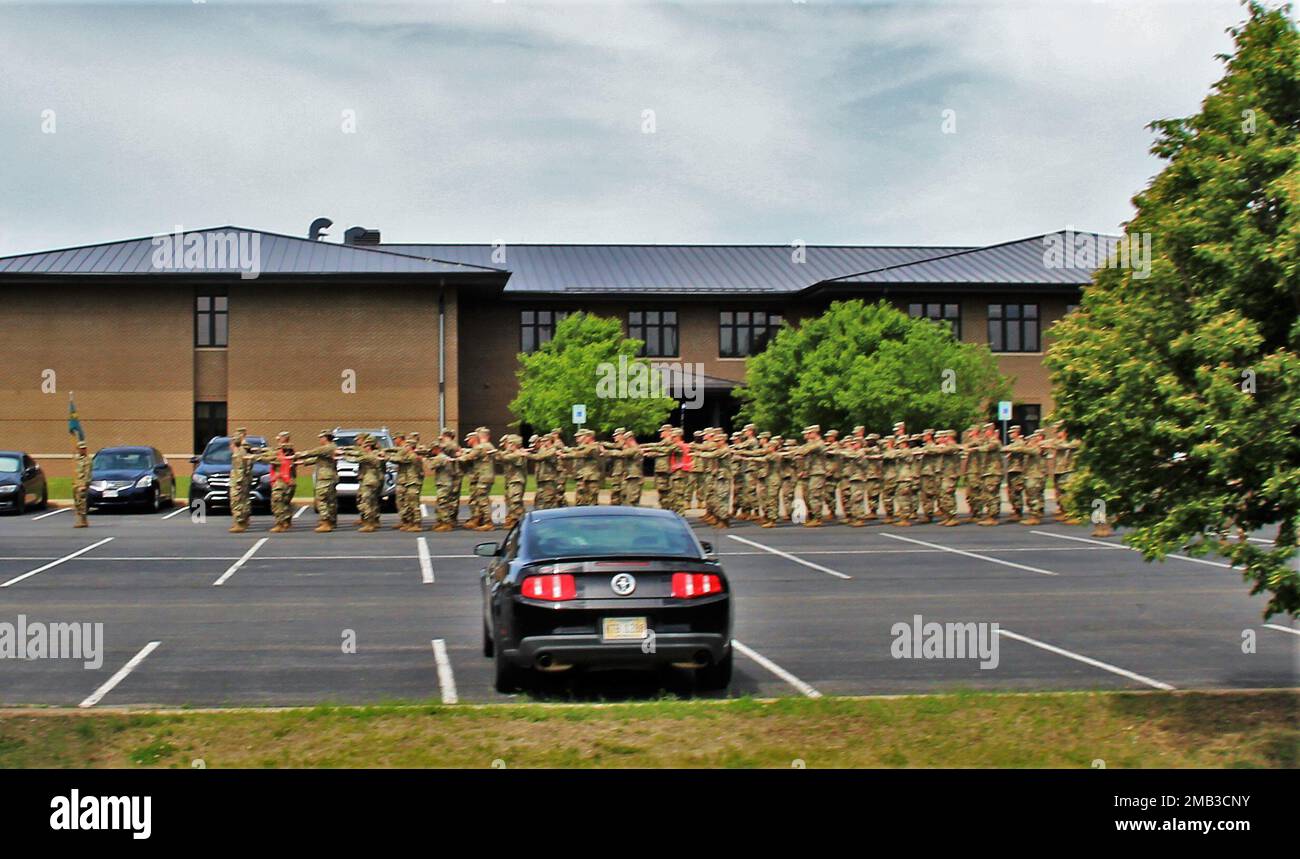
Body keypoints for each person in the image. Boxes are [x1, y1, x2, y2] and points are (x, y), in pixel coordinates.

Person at [252, 431, 297, 533]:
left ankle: (279, 524)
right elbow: (271, 452)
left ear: (284, 438)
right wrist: (260, 450)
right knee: (285, 502)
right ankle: (286, 522)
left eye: (279, 437)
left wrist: (255, 457)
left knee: (277, 502)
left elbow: (272, 457)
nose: (277, 439)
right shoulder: (289, 449)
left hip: (281, 480)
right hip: (288, 480)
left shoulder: (283, 450)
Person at [295, 430, 339, 533]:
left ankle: (326, 523)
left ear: (325, 438)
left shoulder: (327, 448)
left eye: (321, 437)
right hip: (330, 476)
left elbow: (313, 452)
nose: (319, 439)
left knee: (321, 499)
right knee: (330, 500)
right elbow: (317, 459)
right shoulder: (332, 447)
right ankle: (331, 521)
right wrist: (303, 462)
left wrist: (298, 454)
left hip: (325, 477)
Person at [228, 427, 258, 534]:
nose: (229, 446)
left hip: (238, 481)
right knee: (244, 501)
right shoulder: (244, 451)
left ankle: (239, 524)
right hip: (245, 480)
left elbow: (240, 469)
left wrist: (239, 482)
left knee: (237, 501)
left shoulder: (238, 454)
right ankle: (244, 521)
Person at [795, 425, 826, 527]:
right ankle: (813, 516)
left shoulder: (819, 443)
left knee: (815, 495)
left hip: (818, 472)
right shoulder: (811, 444)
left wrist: (798, 452)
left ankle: (817, 518)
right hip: (811, 472)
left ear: (814, 433)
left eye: (809, 433)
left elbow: (804, 451)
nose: (807, 435)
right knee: (808, 496)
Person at [498, 434, 528, 527]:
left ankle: (520, 520)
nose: (506, 446)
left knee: (515, 501)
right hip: (511, 480)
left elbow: (502, 457)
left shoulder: (517, 454)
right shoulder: (513, 453)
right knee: (510, 500)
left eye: (509, 444)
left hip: (516, 481)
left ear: (514, 444)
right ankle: (513, 518)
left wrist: (503, 451)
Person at [72, 439, 90, 528]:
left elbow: (87, 473)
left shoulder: (87, 460)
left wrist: (84, 485)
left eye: (84, 448)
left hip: (82, 484)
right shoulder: (77, 459)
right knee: (77, 503)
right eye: (81, 448)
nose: (83, 450)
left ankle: (83, 521)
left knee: (82, 502)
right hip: (76, 483)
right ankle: (80, 520)